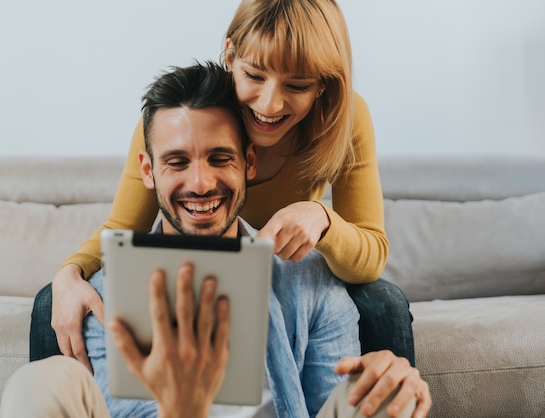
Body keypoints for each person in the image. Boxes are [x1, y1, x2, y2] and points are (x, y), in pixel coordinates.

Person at [3, 61, 428, 418]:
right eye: (177, 161)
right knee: (38, 384)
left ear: (248, 162)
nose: (201, 183)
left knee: (385, 389)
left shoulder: (311, 284)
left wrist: (386, 386)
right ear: (148, 171)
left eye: (219, 158)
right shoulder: (103, 296)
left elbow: (328, 403)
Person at [31, 0, 415, 377]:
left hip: (281, 277)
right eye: (254, 75)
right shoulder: (180, 117)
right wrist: (69, 274)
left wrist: (322, 219)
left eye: (296, 85)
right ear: (230, 54)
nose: (269, 103)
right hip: (192, 262)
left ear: (323, 87)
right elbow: (123, 226)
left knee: (385, 303)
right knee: (53, 299)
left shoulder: (342, 119)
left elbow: (371, 252)